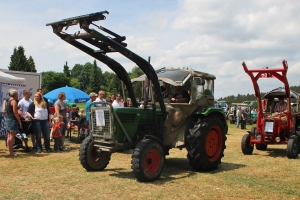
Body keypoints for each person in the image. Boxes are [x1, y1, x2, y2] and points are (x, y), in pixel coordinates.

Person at [5, 89, 22, 156]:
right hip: (12, 120)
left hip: (8, 119)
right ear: (15, 95)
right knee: (12, 136)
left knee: (9, 136)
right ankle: (11, 152)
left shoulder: (9, 101)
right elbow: (15, 112)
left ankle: (9, 150)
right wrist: (19, 121)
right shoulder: (14, 101)